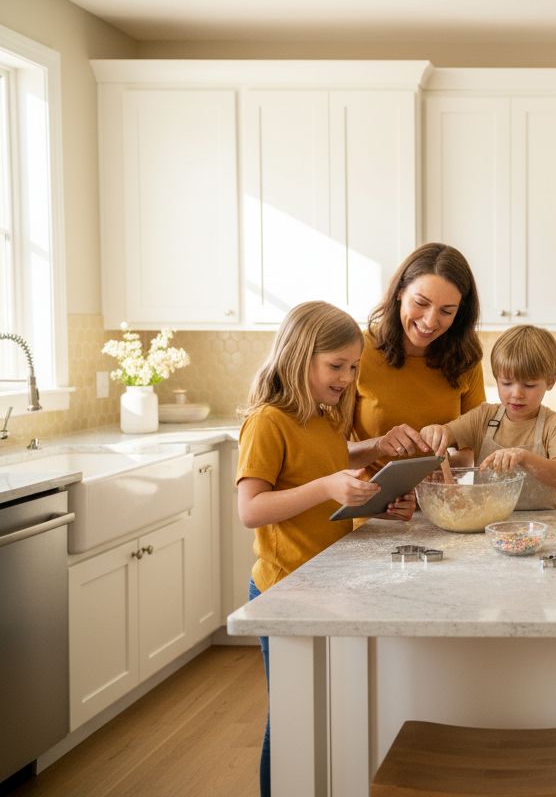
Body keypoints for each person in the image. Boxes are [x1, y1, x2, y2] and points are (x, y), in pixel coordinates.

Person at [235, 301, 415, 797]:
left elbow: (326, 464)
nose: (347, 377)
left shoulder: (324, 416)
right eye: (336, 366)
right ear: (298, 357)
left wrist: (374, 498)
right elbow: (251, 509)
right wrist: (328, 487)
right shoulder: (268, 421)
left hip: (324, 584)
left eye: (353, 366)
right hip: (284, 589)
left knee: (321, 710)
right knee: (291, 715)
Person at [352, 243, 487, 475]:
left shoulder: (465, 358)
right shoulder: (358, 351)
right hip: (371, 505)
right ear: (400, 292)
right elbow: (330, 453)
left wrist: (433, 472)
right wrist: (379, 446)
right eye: (421, 303)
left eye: (446, 311)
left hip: (439, 505)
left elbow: (476, 448)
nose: (430, 322)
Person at [420, 325, 556, 510]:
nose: (516, 394)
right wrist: (435, 431)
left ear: (551, 381)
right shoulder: (483, 416)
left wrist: (523, 457)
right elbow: (447, 433)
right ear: (496, 378)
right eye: (507, 383)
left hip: (540, 527)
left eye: (529, 385)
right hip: (487, 524)